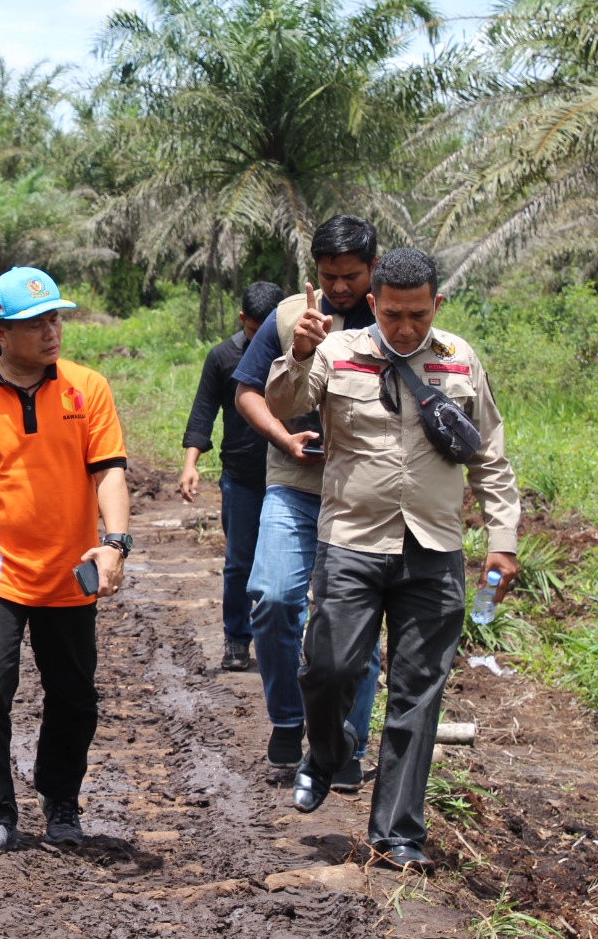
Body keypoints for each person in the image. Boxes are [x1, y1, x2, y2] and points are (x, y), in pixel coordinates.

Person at [265, 248, 519, 870]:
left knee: (417, 694)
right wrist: (297, 351)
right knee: (326, 668)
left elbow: (487, 453)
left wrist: (503, 539)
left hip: (432, 550)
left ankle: (397, 832)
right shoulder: (334, 349)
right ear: (373, 303)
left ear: (436, 305)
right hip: (352, 540)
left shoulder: (458, 359)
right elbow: (282, 403)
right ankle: (327, 750)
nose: (408, 328)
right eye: (396, 314)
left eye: (420, 314)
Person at [0, 267, 130, 858]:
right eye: (35, 323)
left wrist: (114, 542)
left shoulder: (87, 388)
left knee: (74, 697)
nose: (51, 331)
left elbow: (108, 469)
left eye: (55, 318)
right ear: (0, 332)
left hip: (70, 570)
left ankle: (61, 801)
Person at [232, 215, 384, 786]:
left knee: (353, 624)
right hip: (293, 483)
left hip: (363, 494)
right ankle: (288, 718)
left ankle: (346, 742)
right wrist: (283, 435)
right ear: (313, 272)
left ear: (372, 267)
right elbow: (248, 392)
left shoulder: (394, 316)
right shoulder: (291, 316)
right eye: (328, 275)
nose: (340, 287)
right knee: (271, 598)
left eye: (350, 275)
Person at [178, 281, 284, 672]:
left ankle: (288, 641)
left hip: (291, 477)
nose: (263, 341)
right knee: (240, 562)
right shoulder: (223, 357)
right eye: (256, 332)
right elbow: (203, 411)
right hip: (241, 477)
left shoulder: (302, 350)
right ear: (243, 320)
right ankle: (237, 639)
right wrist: (190, 465)